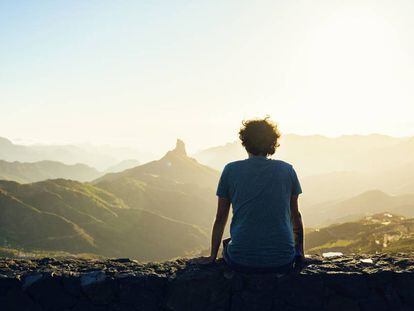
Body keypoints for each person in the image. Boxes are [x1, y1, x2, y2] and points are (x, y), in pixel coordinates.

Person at [195, 117, 304, 273]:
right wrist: (301, 253)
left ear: (245, 142)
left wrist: (213, 255)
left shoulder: (230, 170)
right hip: (283, 260)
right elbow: (296, 216)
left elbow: (221, 217)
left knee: (229, 244)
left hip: (241, 261)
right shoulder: (287, 170)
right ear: (272, 143)